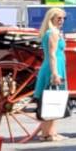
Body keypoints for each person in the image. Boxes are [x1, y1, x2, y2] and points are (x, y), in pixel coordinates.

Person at [31, 8, 68, 142]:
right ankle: (48, 134)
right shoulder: (52, 33)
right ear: (51, 18)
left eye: (63, 18)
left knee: (52, 100)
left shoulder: (52, 32)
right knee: (52, 100)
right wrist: (55, 73)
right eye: (59, 18)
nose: (62, 20)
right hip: (53, 67)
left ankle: (49, 133)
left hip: (55, 66)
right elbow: (52, 55)